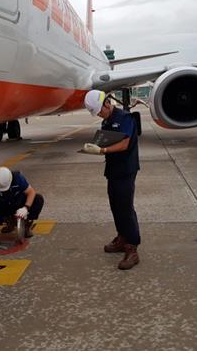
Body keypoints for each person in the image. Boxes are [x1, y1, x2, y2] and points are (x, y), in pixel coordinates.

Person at [83, 90, 140, 270]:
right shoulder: (106, 121)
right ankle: (122, 237)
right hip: (113, 170)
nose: (99, 114)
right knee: (115, 205)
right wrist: (95, 146)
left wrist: (101, 151)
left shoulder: (125, 118)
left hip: (126, 170)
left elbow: (124, 144)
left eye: (99, 110)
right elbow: (106, 141)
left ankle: (132, 247)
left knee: (125, 206)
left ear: (107, 103)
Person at [0, 166, 44, 249]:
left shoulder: (18, 178)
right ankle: (10, 221)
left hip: (19, 203)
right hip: (5, 206)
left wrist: (26, 208)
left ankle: (27, 224)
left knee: (38, 199)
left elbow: (31, 192)